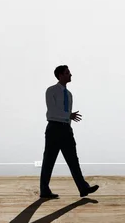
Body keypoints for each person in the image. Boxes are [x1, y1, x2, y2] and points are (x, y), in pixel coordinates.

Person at [39, 65, 99, 199]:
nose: (70, 75)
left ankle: (83, 187)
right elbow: (52, 111)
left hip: (66, 129)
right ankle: (44, 190)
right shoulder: (51, 91)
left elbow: (65, 114)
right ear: (60, 75)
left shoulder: (69, 94)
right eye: (67, 73)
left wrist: (68, 121)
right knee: (49, 160)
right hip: (54, 128)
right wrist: (68, 116)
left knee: (73, 160)